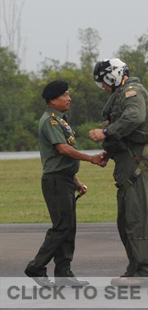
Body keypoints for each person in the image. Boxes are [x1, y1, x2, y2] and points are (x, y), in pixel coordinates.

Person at [89, 58, 148, 287]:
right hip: (129, 168)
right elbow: (125, 133)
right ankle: (135, 269)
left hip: (139, 167)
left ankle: (146, 272)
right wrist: (108, 152)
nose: (102, 87)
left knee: (137, 219)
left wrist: (106, 133)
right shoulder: (121, 96)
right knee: (126, 220)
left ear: (112, 76)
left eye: (103, 82)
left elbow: (134, 118)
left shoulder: (132, 92)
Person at [25, 80, 106, 287]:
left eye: (69, 95)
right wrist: (90, 158)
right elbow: (62, 149)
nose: (69, 98)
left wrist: (76, 180)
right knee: (62, 227)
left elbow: (62, 159)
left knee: (68, 228)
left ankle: (64, 273)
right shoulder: (50, 121)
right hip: (56, 182)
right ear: (53, 100)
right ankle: (36, 266)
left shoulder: (62, 121)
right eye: (65, 95)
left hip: (65, 179)